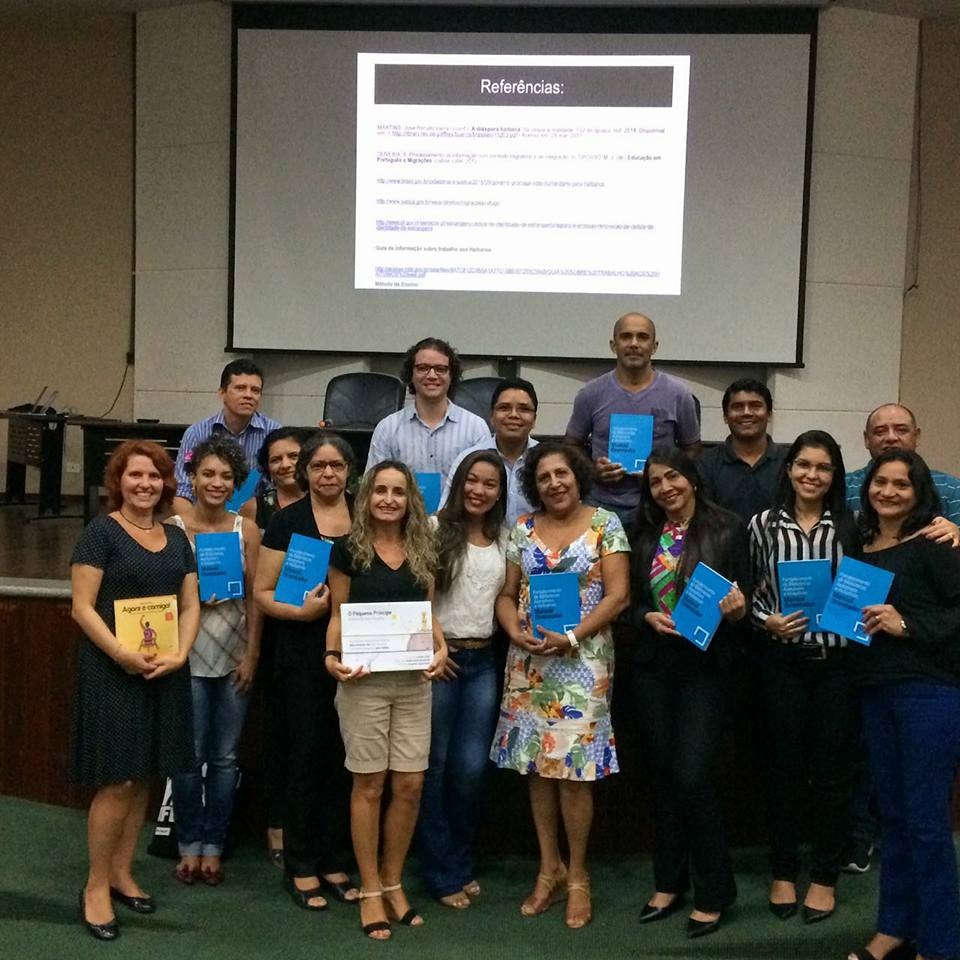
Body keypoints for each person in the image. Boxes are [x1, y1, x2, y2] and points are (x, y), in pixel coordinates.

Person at [491, 441, 630, 930]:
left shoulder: (605, 524)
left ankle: (577, 875)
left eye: (562, 474)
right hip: (530, 663)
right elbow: (507, 595)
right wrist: (513, 629)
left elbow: (618, 595)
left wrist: (572, 634)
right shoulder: (522, 529)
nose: (554, 483)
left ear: (578, 475)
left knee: (573, 771)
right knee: (538, 766)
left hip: (583, 663)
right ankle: (547, 867)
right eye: (544, 476)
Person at [70, 440, 200, 940]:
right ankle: (97, 886)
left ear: (165, 483)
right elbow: (82, 608)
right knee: (118, 779)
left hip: (164, 668)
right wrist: (122, 654)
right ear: (118, 482)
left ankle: (124, 873)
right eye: (134, 476)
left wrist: (182, 652)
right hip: (112, 670)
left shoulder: (175, 537)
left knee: (145, 774)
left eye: (153, 477)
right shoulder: (100, 534)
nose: (144, 485)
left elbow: (189, 605)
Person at [325, 460, 448, 940]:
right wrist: (331, 656)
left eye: (398, 491)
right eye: (380, 490)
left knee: (411, 785)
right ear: (367, 497)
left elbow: (428, 612)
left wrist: (440, 648)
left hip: (415, 681)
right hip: (364, 681)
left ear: (410, 499)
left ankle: (395, 881)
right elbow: (338, 613)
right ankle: (371, 888)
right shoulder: (347, 550)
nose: (389, 499)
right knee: (370, 785)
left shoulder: (424, 548)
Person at [630, 448, 749, 938]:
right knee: (664, 776)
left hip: (707, 669)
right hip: (654, 668)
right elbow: (630, 599)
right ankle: (668, 881)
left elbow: (750, 595)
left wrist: (738, 611)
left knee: (693, 776)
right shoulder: (642, 533)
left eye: (673, 477)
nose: (665, 488)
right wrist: (644, 616)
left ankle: (716, 889)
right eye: (655, 482)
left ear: (693, 479)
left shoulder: (729, 528)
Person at [847, 450, 960, 960]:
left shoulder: (937, 542)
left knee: (926, 823)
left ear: (919, 493)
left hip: (928, 694)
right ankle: (894, 926)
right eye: (880, 482)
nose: (888, 492)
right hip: (876, 691)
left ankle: (939, 944)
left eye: (901, 485)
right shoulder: (861, 544)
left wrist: (907, 624)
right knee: (892, 817)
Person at [748, 430, 859, 925]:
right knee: (784, 773)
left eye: (824, 467)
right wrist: (764, 619)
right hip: (783, 665)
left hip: (838, 667)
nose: (812, 475)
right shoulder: (762, 525)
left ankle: (825, 876)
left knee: (834, 776)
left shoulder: (855, 526)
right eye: (804, 465)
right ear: (788, 469)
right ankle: (784, 871)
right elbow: (751, 590)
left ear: (835, 476)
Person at [253, 431, 358, 911]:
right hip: (301, 655)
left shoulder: (368, 514)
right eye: (319, 467)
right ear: (305, 473)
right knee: (306, 758)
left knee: (346, 761)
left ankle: (337, 860)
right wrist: (302, 615)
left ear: (349, 470)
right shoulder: (287, 522)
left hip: (359, 655)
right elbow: (263, 592)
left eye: (336, 466)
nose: (328, 474)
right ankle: (301, 864)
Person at [167, 437, 262, 886]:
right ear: (193, 477)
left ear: (237, 482)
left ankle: (214, 846)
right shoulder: (171, 529)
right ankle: (188, 844)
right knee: (188, 758)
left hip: (233, 655)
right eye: (208, 474)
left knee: (224, 758)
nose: (217, 483)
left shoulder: (247, 530)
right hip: (185, 654)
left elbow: (258, 599)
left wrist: (252, 653)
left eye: (226, 476)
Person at [417, 451, 509, 908]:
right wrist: (436, 647)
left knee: (470, 771)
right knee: (432, 769)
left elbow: (508, 599)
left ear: (500, 492)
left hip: (483, 663)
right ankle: (442, 870)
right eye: (472, 481)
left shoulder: (504, 539)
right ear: (459, 483)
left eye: (490, 484)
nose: (479, 490)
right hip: (440, 660)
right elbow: (422, 597)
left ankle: (458, 857)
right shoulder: (435, 529)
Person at [564, 312, 700, 529]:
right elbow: (571, 445)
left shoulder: (678, 394)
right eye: (626, 337)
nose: (634, 344)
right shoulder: (590, 393)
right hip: (601, 505)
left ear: (654, 346)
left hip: (659, 506)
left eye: (642, 337)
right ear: (613, 345)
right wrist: (592, 469)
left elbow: (692, 448)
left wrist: (667, 474)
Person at [254, 427, 308, 867]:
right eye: (277, 458)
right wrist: (252, 652)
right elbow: (260, 588)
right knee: (279, 735)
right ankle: (277, 824)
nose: (286, 464)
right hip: (278, 632)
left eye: (294, 456)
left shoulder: (339, 509)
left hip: (327, 633)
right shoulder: (261, 509)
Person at [365, 337, 490, 485]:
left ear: (452, 376)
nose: (431, 376)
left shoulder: (475, 428)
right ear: (411, 374)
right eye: (423, 368)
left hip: (457, 509)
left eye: (440, 369)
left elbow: (484, 485)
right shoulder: (387, 428)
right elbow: (372, 487)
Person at [173, 359, 282, 516]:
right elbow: (182, 491)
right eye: (240, 388)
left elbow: (282, 490)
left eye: (255, 390)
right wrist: (197, 528)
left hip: (256, 521)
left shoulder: (274, 433)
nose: (248, 395)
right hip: (203, 522)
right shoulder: (197, 433)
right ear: (222, 393)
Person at [440, 377, 539, 525]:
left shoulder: (545, 461)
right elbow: (448, 515)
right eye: (504, 408)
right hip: (482, 545)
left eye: (523, 409)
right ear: (491, 417)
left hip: (536, 546)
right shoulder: (469, 459)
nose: (513, 415)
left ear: (534, 419)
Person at [696, 378, 786, 524]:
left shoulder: (789, 463)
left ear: (769, 414)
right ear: (725, 416)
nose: (746, 413)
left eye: (755, 406)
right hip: (721, 546)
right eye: (737, 407)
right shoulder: (705, 464)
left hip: (777, 546)